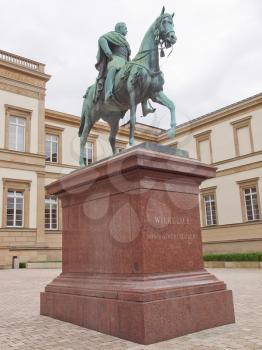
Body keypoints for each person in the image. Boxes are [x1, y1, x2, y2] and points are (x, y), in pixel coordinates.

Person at [95, 22, 155, 115]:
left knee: (140, 78)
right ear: (119, 28)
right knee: (113, 69)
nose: (126, 30)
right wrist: (108, 52)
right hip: (115, 59)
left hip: (126, 62)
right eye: (125, 28)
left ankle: (145, 108)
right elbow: (101, 39)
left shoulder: (125, 41)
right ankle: (108, 92)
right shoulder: (112, 35)